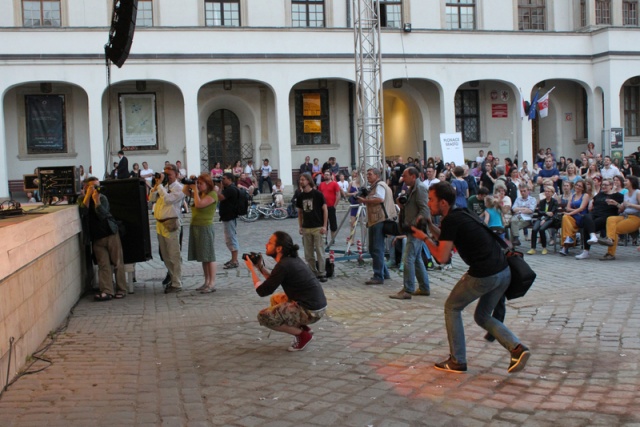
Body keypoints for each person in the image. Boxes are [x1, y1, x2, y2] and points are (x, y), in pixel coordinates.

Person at [410, 182, 530, 374]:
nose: (428, 203)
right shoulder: (461, 213)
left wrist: (424, 238)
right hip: (503, 270)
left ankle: (457, 360)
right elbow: (447, 238)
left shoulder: (451, 220)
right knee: (482, 316)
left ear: (443, 203)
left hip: (486, 274)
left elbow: (441, 257)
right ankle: (517, 348)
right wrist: (431, 226)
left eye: (431, 200)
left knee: (452, 307)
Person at [244, 231, 327, 352]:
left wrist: (251, 269)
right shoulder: (289, 260)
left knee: (264, 316)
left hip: (310, 311)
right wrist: (259, 267)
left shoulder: (284, 265)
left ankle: (302, 335)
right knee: (275, 299)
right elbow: (272, 281)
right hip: (315, 305)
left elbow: (262, 291)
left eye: (270, 243)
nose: (266, 245)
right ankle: (303, 328)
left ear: (279, 248)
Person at [78, 177, 128, 301]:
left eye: (98, 186)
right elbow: (83, 212)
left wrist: (97, 201)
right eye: (94, 186)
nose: (97, 189)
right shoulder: (81, 199)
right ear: (85, 187)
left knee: (117, 262)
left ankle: (121, 289)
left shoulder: (102, 198)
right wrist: (88, 196)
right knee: (103, 265)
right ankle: (107, 291)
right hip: (96, 238)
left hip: (110, 233)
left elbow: (103, 215)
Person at [389, 167, 431, 300]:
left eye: (405, 176)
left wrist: (413, 223)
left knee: (408, 259)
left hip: (416, 229)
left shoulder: (420, 188)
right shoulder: (413, 188)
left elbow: (424, 209)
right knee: (417, 258)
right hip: (412, 228)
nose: (402, 178)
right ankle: (424, 288)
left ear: (413, 176)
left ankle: (408, 289)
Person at [150, 164, 185, 293]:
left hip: (171, 223)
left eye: (169, 174)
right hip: (160, 224)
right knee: (165, 255)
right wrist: (156, 185)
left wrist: (160, 186)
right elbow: (151, 198)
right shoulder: (163, 187)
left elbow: (168, 200)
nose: (167, 177)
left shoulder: (180, 188)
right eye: (165, 174)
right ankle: (172, 278)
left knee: (174, 254)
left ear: (176, 175)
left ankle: (177, 283)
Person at [357, 168, 396, 285]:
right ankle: (384, 273)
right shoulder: (379, 185)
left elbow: (379, 199)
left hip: (379, 219)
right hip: (377, 219)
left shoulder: (379, 186)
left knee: (376, 248)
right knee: (375, 248)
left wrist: (364, 200)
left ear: (377, 175)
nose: (367, 176)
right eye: (367, 174)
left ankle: (378, 276)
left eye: (370, 174)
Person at [183, 173, 218, 293]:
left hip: (205, 227)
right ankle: (206, 281)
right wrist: (190, 182)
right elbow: (185, 192)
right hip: (196, 226)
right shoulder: (201, 194)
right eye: (198, 183)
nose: (198, 185)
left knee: (209, 255)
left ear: (208, 184)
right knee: (203, 256)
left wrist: (195, 190)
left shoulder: (212, 194)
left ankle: (212, 283)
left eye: (201, 183)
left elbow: (199, 204)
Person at [575, 178, 624, 259]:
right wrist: (591, 202)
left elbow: (622, 209)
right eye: (602, 185)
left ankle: (586, 251)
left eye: (606, 185)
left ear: (611, 186)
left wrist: (616, 204)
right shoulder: (600, 194)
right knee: (586, 216)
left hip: (607, 216)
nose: (603, 186)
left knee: (588, 227)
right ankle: (593, 236)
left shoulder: (618, 196)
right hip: (595, 213)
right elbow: (592, 203)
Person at [295, 173, 328, 282]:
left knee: (320, 251)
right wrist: (300, 226)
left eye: (303, 179)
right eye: (300, 179)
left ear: (308, 181)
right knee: (308, 253)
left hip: (317, 227)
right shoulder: (300, 196)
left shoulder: (318, 194)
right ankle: (312, 272)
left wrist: (324, 226)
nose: (301, 181)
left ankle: (322, 273)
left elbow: (325, 210)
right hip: (306, 227)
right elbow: (300, 212)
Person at [598, 176, 640, 260]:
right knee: (610, 219)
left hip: (635, 218)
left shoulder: (637, 192)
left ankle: (610, 253)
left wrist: (631, 205)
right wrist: (615, 203)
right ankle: (610, 240)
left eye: (626, 181)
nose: (624, 182)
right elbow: (623, 208)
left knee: (614, 229)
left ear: (631, 182)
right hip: (624, 216)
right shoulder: (626, 194)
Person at [216, 172, 241, 269]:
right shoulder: (230, 189)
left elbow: (219, 197)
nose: (222, 180)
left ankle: (234, 261)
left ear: (230, 179)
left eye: (224, 179)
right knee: (229, 239)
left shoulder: (231, 189)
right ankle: (233, 259)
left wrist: (219, 187)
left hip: (230, 217)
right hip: (228, 217)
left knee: (231, 238)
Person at [559, 180, 590, 256]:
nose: (577, 187)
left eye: (580, 186)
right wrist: (572, 212)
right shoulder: (572, 195)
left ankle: (565, 246)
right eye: (577, 185)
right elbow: (568, 208)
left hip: (581, 217)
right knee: (565, 217)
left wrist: (571, 213)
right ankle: (568, 239)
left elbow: (582, 208)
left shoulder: (585, 195)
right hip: (572, 216)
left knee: (566, 217)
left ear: (583, 188)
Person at [527, 186, 559, 255]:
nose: (547, 193)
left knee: (542, 229)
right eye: (546, 191)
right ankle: (533, 248)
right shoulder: (542, 201)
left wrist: (545, 218)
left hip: (550, 219)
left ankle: (544, 247)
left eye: (548, 191)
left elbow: (552, 213)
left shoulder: (554, 202)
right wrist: (545, 213)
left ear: (552, 193)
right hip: (541, 218)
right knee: (534, 229)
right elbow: (539, 212)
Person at [318, 170, 342, 243]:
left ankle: (332, 239)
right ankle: (324, 239)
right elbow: (319, 195)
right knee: (324, 223)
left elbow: (338, 195)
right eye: (325, 175)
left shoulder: (334, 184)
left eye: (328, 175)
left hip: (331, 206)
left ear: (331, 176)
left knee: (333, 223)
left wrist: (334, 205)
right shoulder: (321, 184)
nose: (326, 176)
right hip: (323, 206)